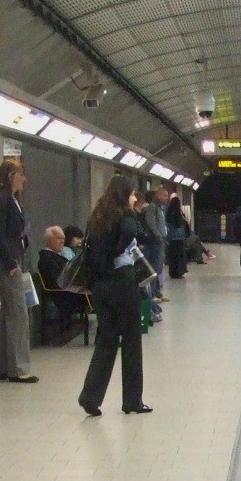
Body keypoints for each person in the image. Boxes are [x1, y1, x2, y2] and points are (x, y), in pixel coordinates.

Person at [78, 175, 151, 416]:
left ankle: (90, 397)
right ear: (124, 194)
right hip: (122, 280)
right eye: (132, 194)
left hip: (100, 285)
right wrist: (117, 249)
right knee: (131, 338)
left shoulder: (97, 215)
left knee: (106, 339)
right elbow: (130, 232)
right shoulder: (126, 214)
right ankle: (132, 400)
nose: (134, 198)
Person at [0, 158, 36, 382]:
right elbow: (0, 234)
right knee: (18, 314)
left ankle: (4, 365)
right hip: (7, 263)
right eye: (21, 175)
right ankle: (19, 368)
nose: (24, 179)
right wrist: (10, 264)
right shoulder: (2, 201)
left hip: (12, 259)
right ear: (10, 176)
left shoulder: (14, 200)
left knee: (8, 312)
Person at [136, 188, 168, 304]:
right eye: (164, 196)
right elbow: (151, 224)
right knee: (154, 268)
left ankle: (156, 292)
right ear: (157, 196)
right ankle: (152, 295)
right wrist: (158, 236)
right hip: (155, 242)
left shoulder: (159, 209)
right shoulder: (152, 208)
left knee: (158, 268)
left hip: (160, 241)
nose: (166, 198)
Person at [164, 186, 191, 278]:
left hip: (171, 238)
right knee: (180, 256)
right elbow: (184, 224)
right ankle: (179, 271)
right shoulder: (180, 213)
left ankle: (173, 272)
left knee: (173, 256)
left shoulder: (168, 212)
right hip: (180, 238)